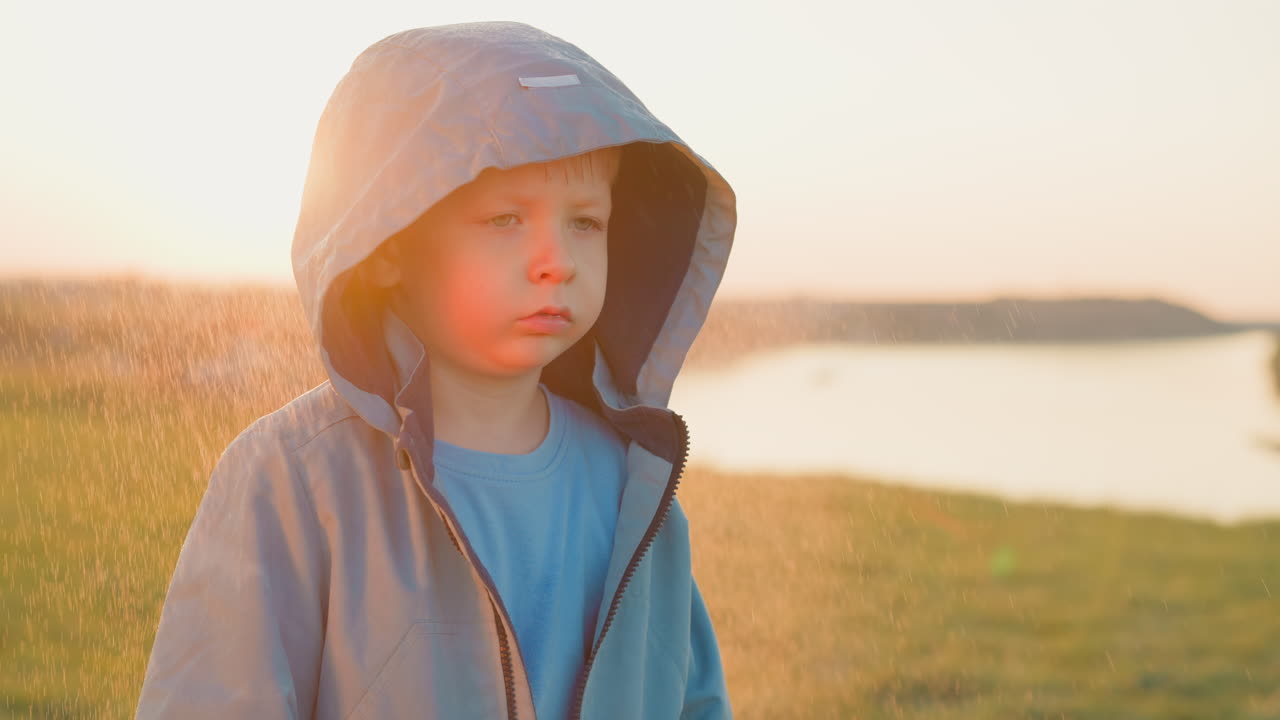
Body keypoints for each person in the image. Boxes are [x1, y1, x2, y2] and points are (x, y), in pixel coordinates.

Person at [135, 20, 737, 720]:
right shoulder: (293, 480)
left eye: (585, 223)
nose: (558, 260)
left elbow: (693, 700)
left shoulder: (636, 492)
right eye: (505, 219)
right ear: (387, 245)